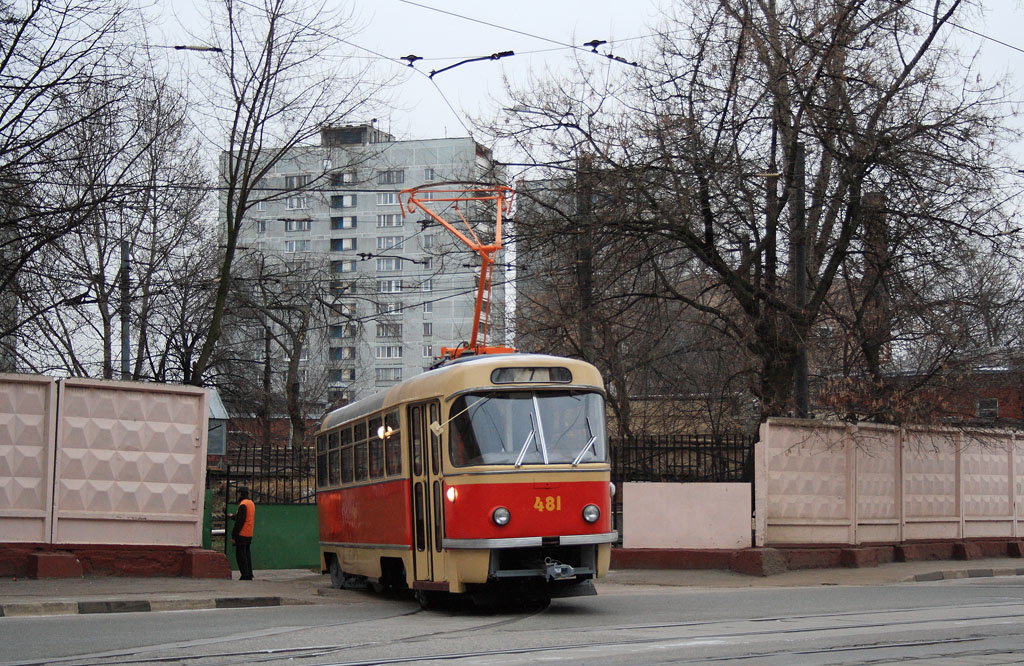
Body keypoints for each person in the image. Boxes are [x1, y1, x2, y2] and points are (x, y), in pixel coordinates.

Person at [229, 486, 255, 581]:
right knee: (247, 555)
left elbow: (240, 521)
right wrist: (233, 516)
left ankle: (244, 575)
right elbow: (244, 517)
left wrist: (233, 535)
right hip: (249, 532)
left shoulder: (243, 504)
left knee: (241, 556)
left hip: (242, 533)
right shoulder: (251, 503)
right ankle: (249, 573)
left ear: (240, 494)